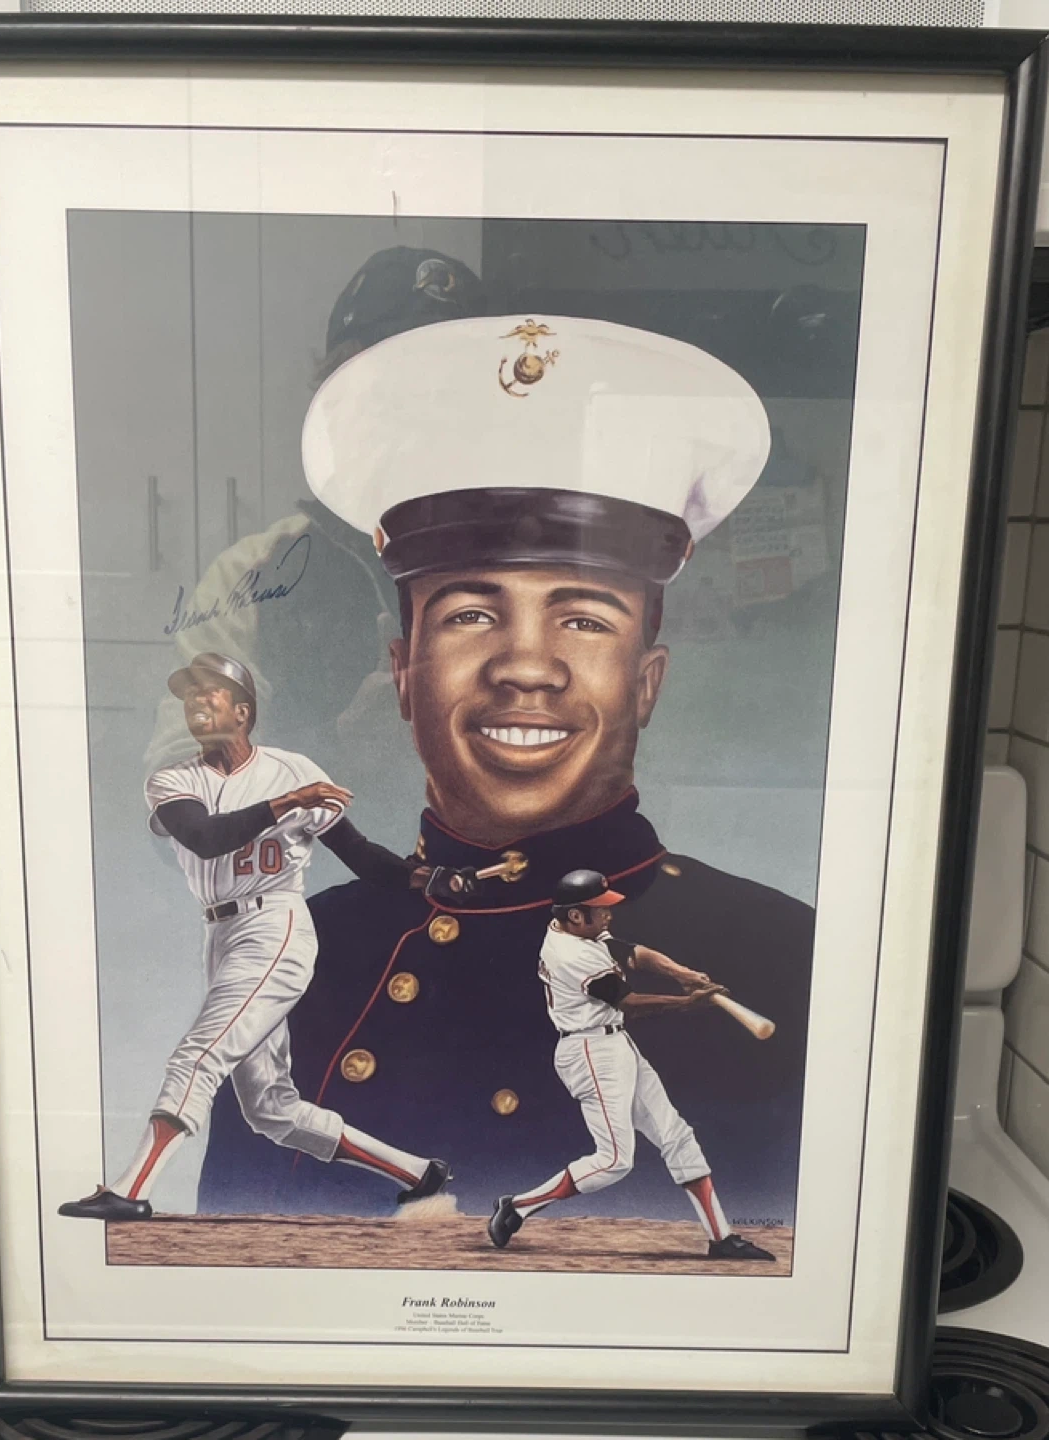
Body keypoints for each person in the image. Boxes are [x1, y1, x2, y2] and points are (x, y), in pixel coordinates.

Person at [197, 310, 815, 1224]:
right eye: (471, 615)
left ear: (646, 683)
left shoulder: (784, 955)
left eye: (583, 619)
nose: (526, 666)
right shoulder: (297, 951)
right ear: (403, 674)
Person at [60, 652, 450, 1221]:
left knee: (199, 1055)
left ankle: (131, 1189)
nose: (196, 700)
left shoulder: (291, 769)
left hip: (275, 925)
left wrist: (428, 878)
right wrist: (287, 803)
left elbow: (359, 854)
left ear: (243, 711)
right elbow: (205, 837)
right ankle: (419, 1173)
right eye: (189, 693)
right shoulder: (174, 781)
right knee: (271, 1108)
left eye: (210, 690)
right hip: (219, 933)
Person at [487, 870, 774, 1261]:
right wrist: (689, 1003)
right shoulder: (570, 954)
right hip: (589, 1051)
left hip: (614, 1043)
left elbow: (631, 953)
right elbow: (628, 1003)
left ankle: (721, 1238)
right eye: (600, 909)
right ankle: (518, 1206)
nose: (609, 914)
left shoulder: (575, 930)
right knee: (615, 1161)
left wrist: (683, 974)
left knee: (676, 1136)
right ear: (575, 915)